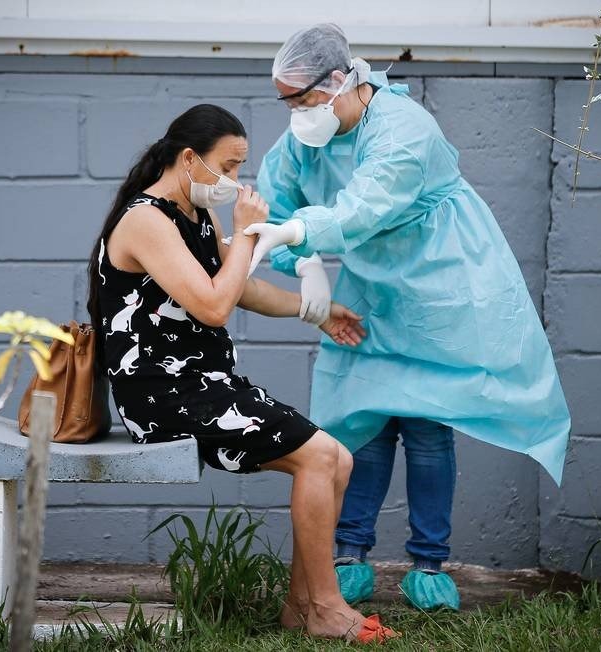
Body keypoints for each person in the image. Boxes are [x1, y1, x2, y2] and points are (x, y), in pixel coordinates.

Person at [249, 24, 572, 611]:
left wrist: (303, 232)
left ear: (342, 79)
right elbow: (276, 196)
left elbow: (365, 205)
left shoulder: (403, 128)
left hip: (438, 281)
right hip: (371, 285)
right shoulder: (306, 137)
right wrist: (304, 266)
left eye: (303, 98)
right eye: (287, 101)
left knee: (427, 425)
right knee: (361, 419)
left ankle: (429, 562)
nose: (296, 112)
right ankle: (349, 556)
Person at [86, 103, 397, 642]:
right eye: (227, 167)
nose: (235, 180)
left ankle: (302, 608)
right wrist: (248, 234)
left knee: (335, 460)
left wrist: (314, 310)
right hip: (163, 395)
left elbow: (238, 285)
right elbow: (213, 305)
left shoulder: (192, 213)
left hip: (205, 385)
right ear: (189, 159)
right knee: (323, 456)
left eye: (239, 168)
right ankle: (325, 607)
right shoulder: (145, 219)